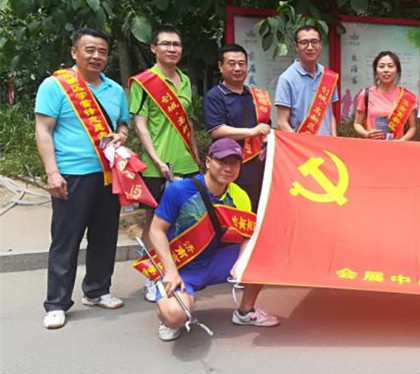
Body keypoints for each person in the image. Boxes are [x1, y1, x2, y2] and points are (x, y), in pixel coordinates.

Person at [34, 28, 130, 329]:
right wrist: (52, 172)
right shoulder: (55, 85)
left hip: (108, 174)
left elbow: (123, 124)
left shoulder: (115, 90)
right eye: (90, 50)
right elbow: (43, 130)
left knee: (105, 235)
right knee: (67, 239)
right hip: (71, 175)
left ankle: (97, 290)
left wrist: (122, 135)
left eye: (102, 51)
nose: (96, 56)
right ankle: (57, 303)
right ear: (74, 52)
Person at [147, 138, 279, 342]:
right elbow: (156, 230)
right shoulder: (179, 191)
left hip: (215, 261)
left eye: (234, 163)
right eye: (222, 161)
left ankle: (245, 312)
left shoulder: (240, 196)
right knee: (175, 315)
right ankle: (169, 316)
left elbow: (247, 235)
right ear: (208, 162)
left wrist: (241, 262)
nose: (228, 168)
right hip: (182, 266)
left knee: (263, 249)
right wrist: (171, 270)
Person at [129, 25, 201, 302]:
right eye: (166, 44)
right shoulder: (143, 82)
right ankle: (153, 277)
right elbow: (140, 125)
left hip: (187, 164)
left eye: (177, 44)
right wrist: (156, 159)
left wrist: (196, 157)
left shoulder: (186, 81)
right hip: (156, 166)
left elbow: (188, 124)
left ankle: (181, 273)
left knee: (187, 220)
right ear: (153, 48)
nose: (172, 49)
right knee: (154, 224)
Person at [202, 43, 271, 209]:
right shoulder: (214, 96)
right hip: (228, 164)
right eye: (232, 64)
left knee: (256, 208)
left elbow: (266, 128)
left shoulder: (255, 95)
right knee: (230, 210)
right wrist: (252, 132)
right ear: (220, 66)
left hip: (257, 165)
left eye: (242, 63)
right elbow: (217, 130)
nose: (238, 68)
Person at [275, 26, 339, 136]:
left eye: (314, 42)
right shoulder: (286, 79)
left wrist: (334, 139)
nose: (310, 47)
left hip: (326, 144)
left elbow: (330, 115)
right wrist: (301, 143)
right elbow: (282, 123)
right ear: (296, 46)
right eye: (304, 42)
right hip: (300, 144)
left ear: (320, 44)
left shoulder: (328, 76)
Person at [353, 51, 417, 141]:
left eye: (390, 66)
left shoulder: (406, 97)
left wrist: (402, 141)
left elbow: (412, 128)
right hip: (372, 146)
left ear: (397, 71)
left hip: (397, 147)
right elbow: (357, 124)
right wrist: (366, 134)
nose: (386, 70)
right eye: (381, 66)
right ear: (376, 71)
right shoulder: (366, 94)